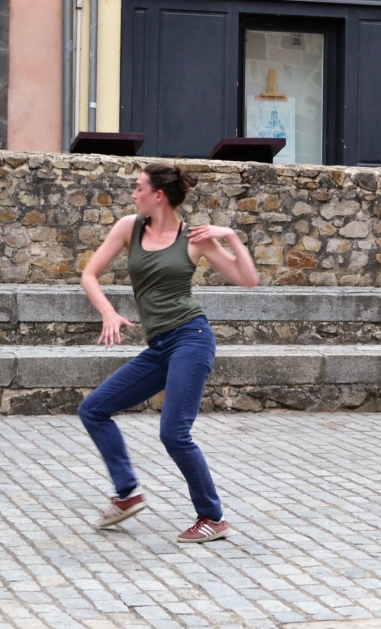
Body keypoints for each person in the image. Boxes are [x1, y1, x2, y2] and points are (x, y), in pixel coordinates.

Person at [78, 162, 259, 543]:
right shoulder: (129, 228)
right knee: (93, 409)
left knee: (174, 433)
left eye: (139, 187)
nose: (134, 193)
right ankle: (127, 494)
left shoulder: (195, 237)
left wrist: (231, 237)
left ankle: (213, 517)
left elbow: (248, 280)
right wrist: (108, 311)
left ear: (158, 195)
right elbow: (89, 274)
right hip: (159, 345)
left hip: (191, 339)